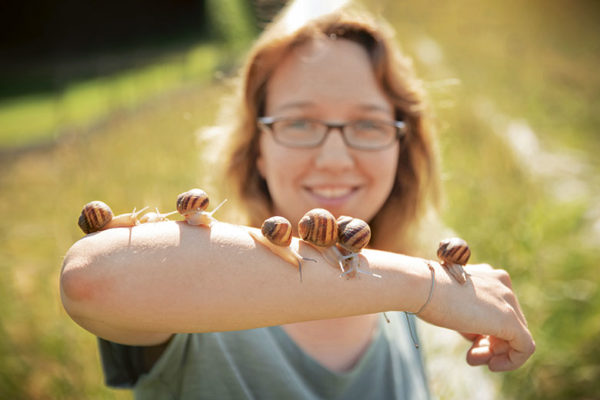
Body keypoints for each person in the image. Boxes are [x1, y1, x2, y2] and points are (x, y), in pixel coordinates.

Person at [60, 4, 535, 400]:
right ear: (257, 148)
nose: (333, 158)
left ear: (402, 147)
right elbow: (91, 279)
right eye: (299, 123)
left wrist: (414, 292)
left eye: (367, 124)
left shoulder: (396, 316)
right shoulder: (195, 311)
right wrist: (427, 287)